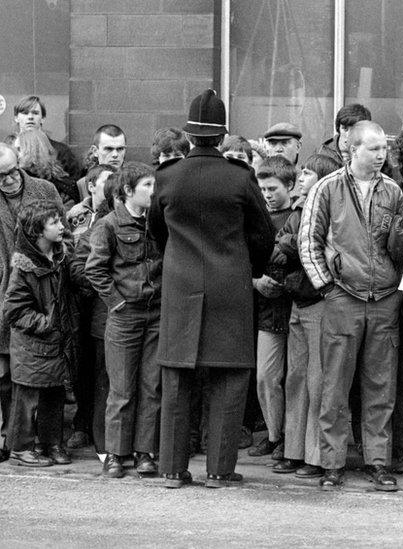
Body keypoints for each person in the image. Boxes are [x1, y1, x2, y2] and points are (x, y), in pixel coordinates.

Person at [150, 89, 275, 489]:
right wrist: (247, 269)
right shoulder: (240, 178)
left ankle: (172, 469)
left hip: (180, 284)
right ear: (222, 137)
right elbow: (263, 234)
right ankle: (220, 470)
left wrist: (176, 262)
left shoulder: (167, 177)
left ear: (189, 136)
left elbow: (157, 232)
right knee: (229, 378)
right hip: (230, 286)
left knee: (176, 379)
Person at [299, 120, 403, 492]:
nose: (382, 155)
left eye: (384, 149)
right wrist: (326, 287)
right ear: (353, 149)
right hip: (343, 297)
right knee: (335, 386)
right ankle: (333, 463)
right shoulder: (327, 188)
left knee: (381, 386)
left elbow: (399, 244)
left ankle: (378, 462)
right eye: (374, 148)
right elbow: (308, 240)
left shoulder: (393, 191)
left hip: (384, 298)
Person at [85, 162, 163, 478]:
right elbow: (94, 269)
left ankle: (144, 453)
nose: (153, 191)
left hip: (155, 314)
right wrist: (116, 303)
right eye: (147, 185)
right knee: (121, 389)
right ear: (128, 191)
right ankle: (116, 454)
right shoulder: (108, 225)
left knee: (150, 386)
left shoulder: (158, 224)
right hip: (125, 316)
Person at [0, 143, 63, 462]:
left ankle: (44, 442)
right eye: (0, 177)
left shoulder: (44, 189)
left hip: (41, 285)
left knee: (43, 380)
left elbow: (59, 229)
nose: (9, 180)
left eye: (13, 172)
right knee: (9, 377)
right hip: (10, 288)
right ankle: (15, 443)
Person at [272, 153, 334, 477]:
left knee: (317, 380)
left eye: (308, 172)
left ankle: (316, 456)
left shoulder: (326, 207)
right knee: (296, 379)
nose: (302, 176)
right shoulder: (298, 209)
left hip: (318, 300)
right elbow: (285, 241)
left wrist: (290, 242)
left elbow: (299, 244)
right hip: (299, 299)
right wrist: (290, 241)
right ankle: (294, 450)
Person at [2, 201, 76, 467]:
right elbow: (13, 309)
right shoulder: (23, 268)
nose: (61, 226)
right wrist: (47, 323)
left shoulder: (61, 255)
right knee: (27, 398)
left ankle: (51, 443)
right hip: (33, 344)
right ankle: (21, 449)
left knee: (53, 395)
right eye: (54, 222)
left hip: (55, 343)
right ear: (37, 231)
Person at [64, 164, 116, 450]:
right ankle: (94, 436)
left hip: (107, 312)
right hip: (92, 311)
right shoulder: (93, 224)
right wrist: (103, 287)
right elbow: (78, 267)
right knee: (94, 376)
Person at [248, 156, 296, 462]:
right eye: (262, 188)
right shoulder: (255, 218)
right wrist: (255, 281)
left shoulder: (300, 215)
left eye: (273, 188)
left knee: (295, 379)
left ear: (289, 185)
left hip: (295, 303)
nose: (266, 194)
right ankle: (274, 433)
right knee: (266, 377)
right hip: (266, 308)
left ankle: (290, 438)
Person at [11, 95, 82, 181]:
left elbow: (73, 182)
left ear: (43, 119)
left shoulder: (61, 151)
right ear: (16, 118)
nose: (30, 117)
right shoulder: (8, 149)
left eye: (35, 113)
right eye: (25, 113)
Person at [13, 129, 79, 207]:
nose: (15, 154)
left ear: (32, 150)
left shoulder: (61, 184)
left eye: (19, 149)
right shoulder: (17, 179)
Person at [77, 125, 126, 200]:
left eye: (120, 149)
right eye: (108, 149)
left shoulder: (136, 181)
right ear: (95, 151)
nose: (115, 155)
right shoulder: (82, 185)